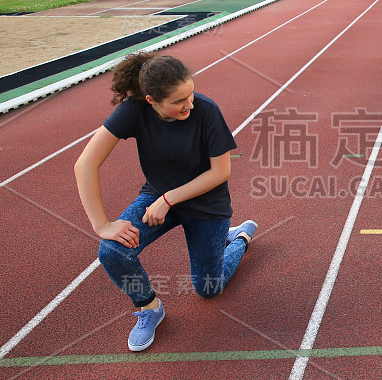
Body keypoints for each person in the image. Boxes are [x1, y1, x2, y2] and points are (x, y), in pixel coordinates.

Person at [74, 51, 258, 352]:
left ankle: (238, 238)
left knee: (209, 289)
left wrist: (167, 199)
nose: (190, 104)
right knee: (111, 250)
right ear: (152, 101)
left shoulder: (207, 111)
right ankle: (149, 308)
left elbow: (220, 172)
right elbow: (85, 165)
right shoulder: (133, 111)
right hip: (156, 196)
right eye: (178, 101)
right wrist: (101, 224)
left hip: (206, 205)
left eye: (191, 94)